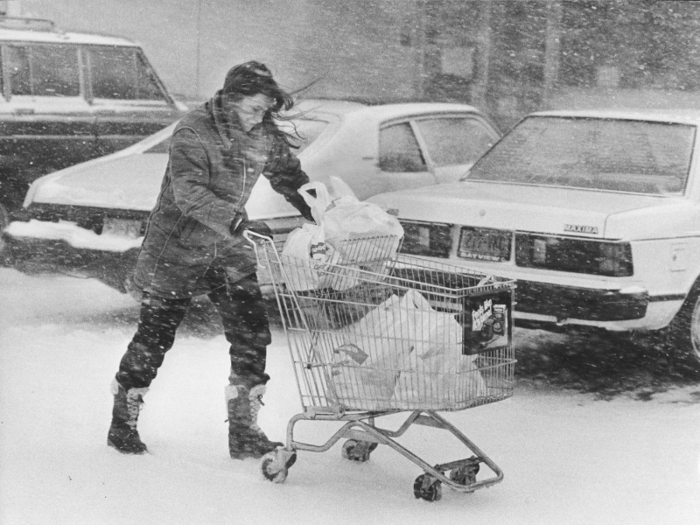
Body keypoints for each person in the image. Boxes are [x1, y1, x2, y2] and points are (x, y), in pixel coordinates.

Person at [107, 61, 313, 459]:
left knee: (251, 336)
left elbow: (288, 175)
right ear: (231, 99)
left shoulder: (262, 133)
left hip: (228, 248)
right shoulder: (194, 130)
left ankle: (244, 432)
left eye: (265, 111)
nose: (259, 118)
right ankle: (123, 423)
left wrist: (317, 208)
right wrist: (236, 220)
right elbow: (188, 193)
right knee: (155, 338)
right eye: (253, 108)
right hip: (177, 248)